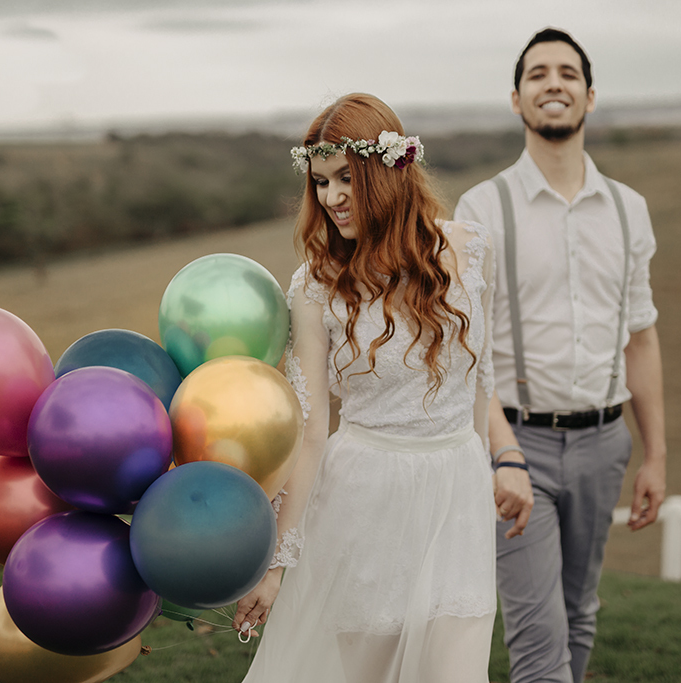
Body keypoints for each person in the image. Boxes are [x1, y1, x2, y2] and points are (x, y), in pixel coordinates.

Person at [231, 93, 529, 683]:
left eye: (346, 178)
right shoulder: (316, 286)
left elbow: (480, 376)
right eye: (320, 182)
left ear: (389, 171)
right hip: (365, 502)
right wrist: (276, 562)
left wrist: (497, 459)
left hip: (457, 498)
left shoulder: (471, 250)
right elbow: (311, 430)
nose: (331, 197)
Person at [454, 28, 668, 683]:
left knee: (578, 615)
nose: (554, 83)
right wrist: (502, 454)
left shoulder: (629, 210)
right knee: (539, 639)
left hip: (605, 444)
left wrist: (656, 453)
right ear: (516, 99)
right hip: (518, 446)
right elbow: (468, 351)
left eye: (568, 73)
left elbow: (641, 336)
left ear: (590, 96)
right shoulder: (482, 208)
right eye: (538, 74)